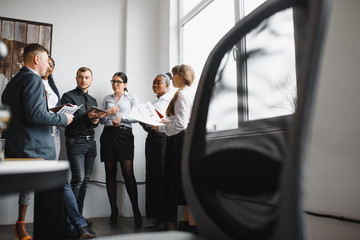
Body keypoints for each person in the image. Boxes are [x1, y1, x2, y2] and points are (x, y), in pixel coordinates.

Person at [0, 43, 93, 240]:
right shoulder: (34, 80)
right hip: (35, 148)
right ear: (36, 59)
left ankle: (77, 226)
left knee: (57, 189)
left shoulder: (13, 82)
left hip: (17, 146)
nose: (46, 65)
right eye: (45, 60)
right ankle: (78, 226)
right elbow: (35, 114)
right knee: (60, 186)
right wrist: (63, 118)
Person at [153, 64, 198, 232]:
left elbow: (181, 124)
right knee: (182, 182)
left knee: (180, 182)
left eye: (174, 75)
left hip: (180, 141)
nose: (171, 79)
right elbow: (182, 120)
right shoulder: (188, 93)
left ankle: (192, 226)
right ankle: (187, 223)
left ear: (182, 76)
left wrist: (161, 128)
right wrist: (168, 122)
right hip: (184, 139)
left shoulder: (183, 95)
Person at [61, 67, 106, 215]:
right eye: (81, 77)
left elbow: (95, 123)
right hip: (75, 142)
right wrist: (87, 116)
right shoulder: (68, 97)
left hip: (91, 143)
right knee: (77, 180)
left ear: (91, 80)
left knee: (85, 181)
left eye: (87, 77)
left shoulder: (93, 100)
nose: (84, 80)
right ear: (76, 78)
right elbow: (67, 121)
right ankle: (70, 221)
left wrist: (94, 121)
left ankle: (79, 217)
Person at [99, 72, 142, 226]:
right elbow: (101, 121)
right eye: (113, 81)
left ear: (125, 84)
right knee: (110, 174)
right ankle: (114, 211)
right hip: (108, 136)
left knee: (128, 174)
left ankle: (136, 210)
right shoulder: (107, 99)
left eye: (118, 81)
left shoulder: (131, 97)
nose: (115, 84)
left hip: (124, 135)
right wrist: (106, 113)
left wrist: (122, 117)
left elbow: (138, 116)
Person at [140, 73, 171, 228]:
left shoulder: (172, 101)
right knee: (151, 176)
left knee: (162, 176)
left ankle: (168, 218)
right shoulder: (151, 104)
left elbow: (174, 121)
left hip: (164, 139)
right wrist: (143, 122)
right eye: (153, 83)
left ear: (167, 84)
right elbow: (149, 125)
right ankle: (156, 216)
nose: (155, 85)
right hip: (151, 138)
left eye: (158, 82)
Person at [41, 56, 62, 159]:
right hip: (41, 126)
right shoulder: (34, 82)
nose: (48, 67)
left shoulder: (52, 85)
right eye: (46, 64)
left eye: (51, 66)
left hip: (54, 127)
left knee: (54, 159)